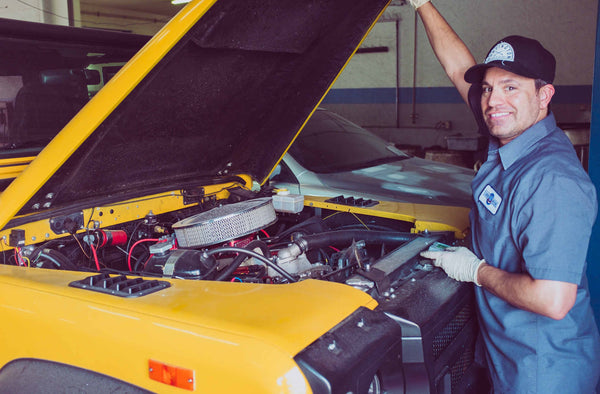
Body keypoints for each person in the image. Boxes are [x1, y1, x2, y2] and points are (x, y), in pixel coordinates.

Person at [410, 1, 600, 393]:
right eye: (489, 88)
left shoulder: (552, 180)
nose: (494, 101)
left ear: (544, 95)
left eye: (511, 87)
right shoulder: (509, 133)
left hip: (543, 373)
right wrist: (422, 4)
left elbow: (553, 300)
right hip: (506, 360)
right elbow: (455, 68)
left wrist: (474, 270)